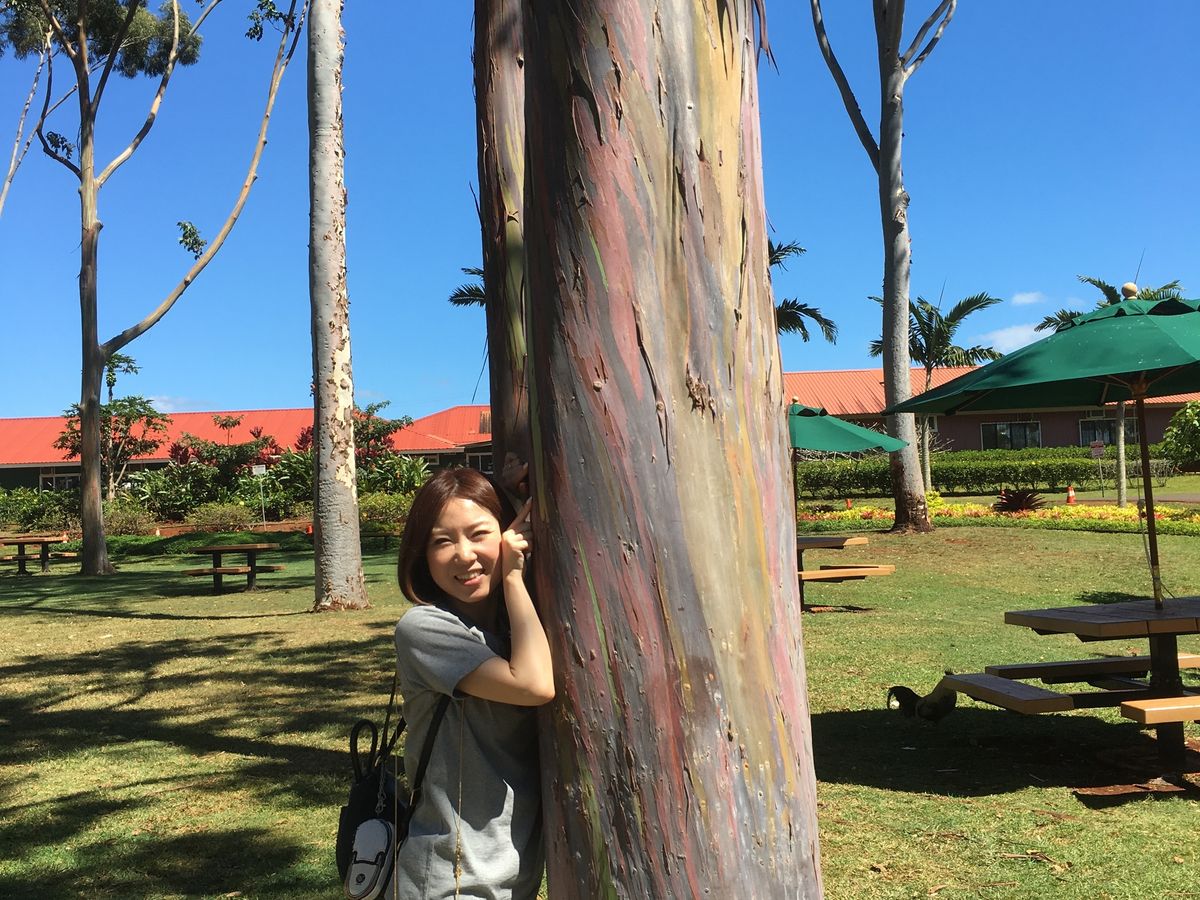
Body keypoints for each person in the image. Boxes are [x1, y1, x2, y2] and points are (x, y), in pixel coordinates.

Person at [391, 464, 553, 899]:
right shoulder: (424, 629)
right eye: (442, 541)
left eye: (479, 534)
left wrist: (514, 491)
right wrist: (513, 576)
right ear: (422, 555)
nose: (464, 555)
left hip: (513, 879)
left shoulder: (515, 631)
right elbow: (534, 685)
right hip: (451, 883)